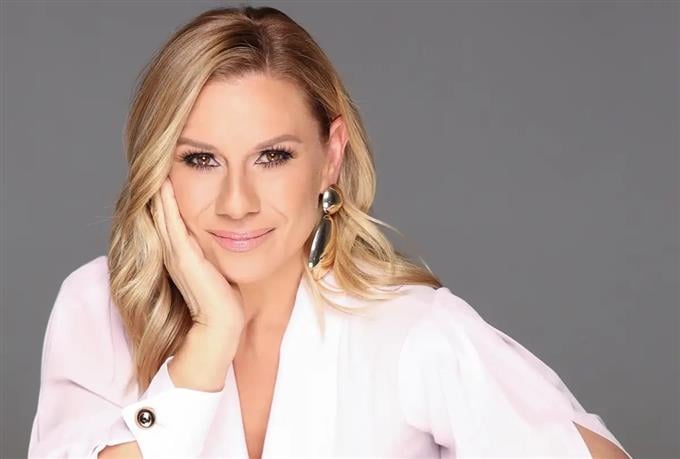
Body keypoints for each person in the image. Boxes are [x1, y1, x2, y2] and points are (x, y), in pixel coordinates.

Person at [27, 5, 632, 459]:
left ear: (331, 156)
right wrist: (211, 338)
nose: (237, 203)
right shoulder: (99, 308)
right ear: (159, 165)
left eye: (273, 157)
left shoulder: (409, 331)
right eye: (201, 159)